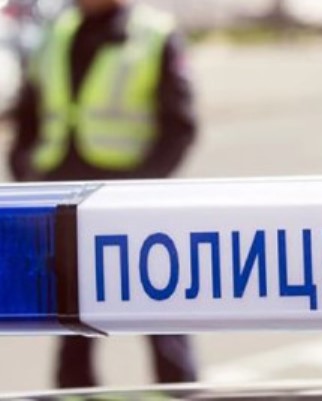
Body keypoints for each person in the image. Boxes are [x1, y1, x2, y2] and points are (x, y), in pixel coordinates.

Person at [9, 0, 198, 388]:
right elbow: (29, 111)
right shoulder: (56, 32)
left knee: (158, 310)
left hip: (129, 201)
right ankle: (75, 392)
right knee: (72, 316)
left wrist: (139, 189)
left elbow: (179, 127)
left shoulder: (153, 34)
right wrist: (24, 169)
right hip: (66, 200)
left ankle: (180, 391)